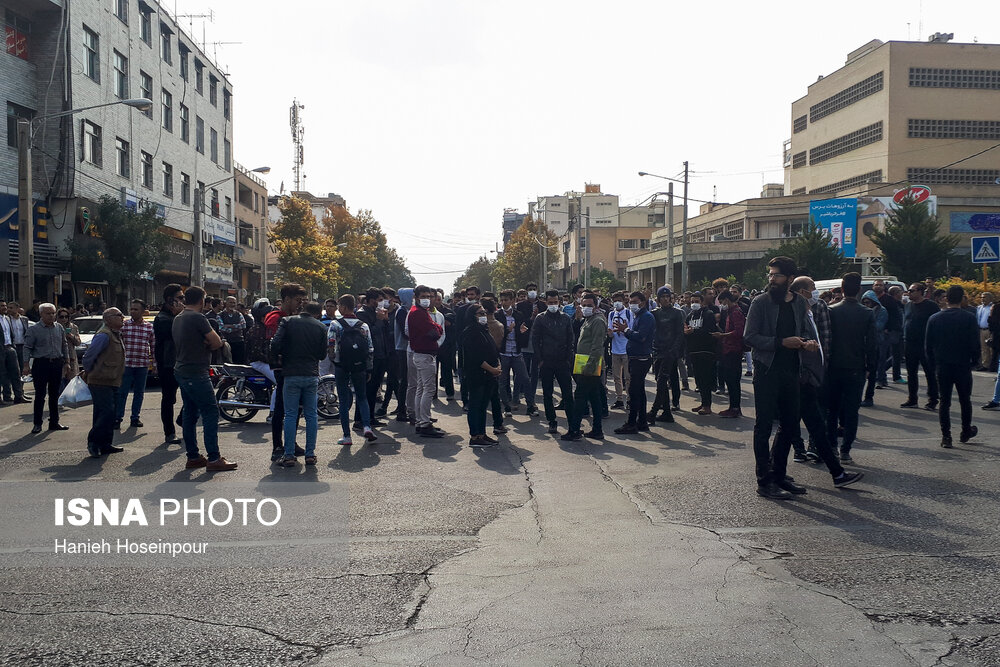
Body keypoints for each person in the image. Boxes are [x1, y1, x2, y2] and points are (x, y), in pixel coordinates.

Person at [744, 257, 819, 500]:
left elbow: (805, 332)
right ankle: (763, 481)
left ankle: (779, 474)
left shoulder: (798, 303)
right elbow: (750, 337)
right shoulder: (760, 302)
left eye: (776, 275)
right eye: (770, 275)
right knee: (763, 426)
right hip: (766, 370)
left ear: (789, 279)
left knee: (789, 425)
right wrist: (779, 343)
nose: (771, 279)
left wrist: (808, 344)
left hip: (791, 371)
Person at [171, 287, 237, 471]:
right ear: (202, 300)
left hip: (182, 368)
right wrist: (211, 342)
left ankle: (193, 456)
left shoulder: (179, 317)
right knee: (210, 412)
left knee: (190, 414)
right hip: (196, 371)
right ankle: (214, 458)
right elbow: (216, 342)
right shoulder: (197, 318)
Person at [271, 301, 331, 466]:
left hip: (291, 373)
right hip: (311, 374)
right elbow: (321, 354)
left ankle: (289, 454)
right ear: (318, 313)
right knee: (311, 415)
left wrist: (282, 355)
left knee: (290, 414)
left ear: (303, 310)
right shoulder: (320, 327)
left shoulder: (288, 322)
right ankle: (310, 454)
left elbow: (275, 344)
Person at [826, 274, 877, 464]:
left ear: (842, 287)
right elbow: (872, 344)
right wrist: (871, 366)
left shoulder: (831, 311)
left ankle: (831, 445)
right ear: (859, 290)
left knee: (832, 409)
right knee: (852, 410)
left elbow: (826, 339)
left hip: (833, 366)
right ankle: (846, 449)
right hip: (856, 367)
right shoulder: (866, 313)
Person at [927, 285, 980, 448]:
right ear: (962, 298)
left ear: (946, 298)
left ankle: (946, 436)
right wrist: (974, 360)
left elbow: (928, 345)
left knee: (945, 401)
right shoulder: (969, 318)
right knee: (965, 400)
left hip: (943, 365)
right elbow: (975, 343)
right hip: (963, 364)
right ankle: (965, 431)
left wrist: (933, 363)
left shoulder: (934, 318)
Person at [328, 294, 376, 446]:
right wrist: (369, 368)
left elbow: (331, 345)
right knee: (362, 397)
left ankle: (347, 436)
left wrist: (334, 361)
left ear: (342, 307)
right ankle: (367, 426)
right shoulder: (363, 325)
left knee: (343, 400)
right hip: (359, 365)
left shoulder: (336, 324)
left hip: (342, 365)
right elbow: (369, 348)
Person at [81, 308, 126, 457]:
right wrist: (88, 373)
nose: (122, 317)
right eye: (118, 315)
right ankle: (93, 442)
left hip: (113, 380)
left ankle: (105, 443)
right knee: (107, 411)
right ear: (108, 319)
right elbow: (89, 356)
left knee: (108, 413)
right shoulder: (104, 335)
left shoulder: (115, 334)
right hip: (100, 380)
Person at [563, 293, 607, 440]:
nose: (586, 308)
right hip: (583, 363)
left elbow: (597, 346)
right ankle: (597, 430)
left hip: (590, 365)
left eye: (590, 305)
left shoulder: (598, 321)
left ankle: (574, 430)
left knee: (580, 398)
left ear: (596, 306)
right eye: (584, 305)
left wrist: (590, 366)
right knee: (594, 397)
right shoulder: (588, 320)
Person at [531, 290, 575, 434]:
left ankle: (572, 422)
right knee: (547, 393)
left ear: (559, 301)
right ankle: (552, 421)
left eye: (555, 302)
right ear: (546, 302)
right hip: (547, 361)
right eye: (550, 302)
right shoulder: (540, 318)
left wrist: (569, 359)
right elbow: (535, 340)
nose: (553, 305)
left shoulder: (566, 318)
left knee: (567, 393)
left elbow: (571, 339)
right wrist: (540, 360)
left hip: (563, 361)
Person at [612, 290, 656, 433]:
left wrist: (626, 331)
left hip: (641, 358)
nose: (631, 305)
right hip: (635, 357)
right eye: (630, 302)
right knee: (639, 391)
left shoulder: (647, 317)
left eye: (635, 302)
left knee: (634, 391)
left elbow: (641, 337)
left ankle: (631, 423)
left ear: (642, 303)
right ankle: (642, 422)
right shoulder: (638, 316)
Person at [23, 303, 71, 432]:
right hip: (41, 364)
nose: (51, 316)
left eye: (53, 313)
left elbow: (64, 345)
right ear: (41, 314)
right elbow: (27, 347)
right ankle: (37, 423)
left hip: (56, 363)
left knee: (54, 394)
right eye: (48, 313)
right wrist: (26, 364)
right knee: (40, 395)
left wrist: (67, 362)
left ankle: (54, 422)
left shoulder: (59, 328)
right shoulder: (34, 329)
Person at [406, 285, 445, 437]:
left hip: (422, 353)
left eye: (429, 296)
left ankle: (421, 421)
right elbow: (435, 332)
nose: (427, 299)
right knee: (428, 389)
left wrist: (436, 327)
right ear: (416, 297)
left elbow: (435, 329)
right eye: (423, 296)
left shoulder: (421, 312)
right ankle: (424, 423)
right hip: (424, 354)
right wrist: (437, 327)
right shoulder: (418, 313)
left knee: (421, 389)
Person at [462, 303, 502, 448]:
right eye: (480, 314)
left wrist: (497, 366)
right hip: (477, 375)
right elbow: (476, 357)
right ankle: (475, 436)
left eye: (484, 313)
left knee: (483, 405)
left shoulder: (484, 330)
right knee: (475, 405)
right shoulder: (470, 332)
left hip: (489, 375)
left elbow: (493, 350)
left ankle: (482, 433)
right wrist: (492, 369)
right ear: (472, 316)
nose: (483, 316)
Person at [115, 299, 155, 430]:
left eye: (136, 309)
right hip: (126, 365)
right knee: (122, 392)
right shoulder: (124, 325)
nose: (133, 311)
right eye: (131, 309)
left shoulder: (148, 327)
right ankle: (117, 418)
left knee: (139, 393)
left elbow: (153, 346)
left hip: (142, 365)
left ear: (143, 311)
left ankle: (135, 417)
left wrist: (154, 364)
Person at [901, 283, 940, 411]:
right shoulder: (908, 305)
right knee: (911, 373)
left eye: (912, 291)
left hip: (925, 344)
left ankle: (933, 400)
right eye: (908, 291)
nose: (909, 293)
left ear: (920, 292)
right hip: (909, 343)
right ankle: (912, 399)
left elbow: (936, 324)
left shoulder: (931, 306)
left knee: (929, 372)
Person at [154, 285, 185, 444]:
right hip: (168, 365)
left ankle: (183, 420)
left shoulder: (179, 316)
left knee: (192, 395)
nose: (182, 301)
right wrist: (180, 314)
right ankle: (169, 432)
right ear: (169, 300)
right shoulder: (162, 318)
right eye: (179, 298)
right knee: (168, 399)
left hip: (183, 362)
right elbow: (174, 333)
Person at [356, 288, 391, 427]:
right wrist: (378, 320)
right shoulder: (362, 314)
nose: (382, 303)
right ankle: (360, 419)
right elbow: (367, 333)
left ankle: (370, 417)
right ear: (371, 301)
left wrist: (385, 320)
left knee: (375, 387)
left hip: (382, 354)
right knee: (366, 389)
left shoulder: (378, 314)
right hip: (370, 356)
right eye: (379, 300)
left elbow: (386, 332)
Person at [648, 287, 684, 423]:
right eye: (662, 297)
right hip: (658, 350)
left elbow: (680, 333)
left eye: (667, 296)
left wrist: (674, 350)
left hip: (670, 351)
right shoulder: (655, 313)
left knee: (663, 381)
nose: (665, 299)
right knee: (659, 380)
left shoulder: (677, 313)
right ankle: (667, 412)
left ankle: (654, 411)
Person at [497, 290, 531, 415]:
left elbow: (522, 335)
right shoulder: (498, 315)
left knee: (525, 378)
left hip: (516, 352)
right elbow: (497, 336)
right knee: (503, 380)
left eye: (506, 300)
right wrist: (507, 330)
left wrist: (523, 332)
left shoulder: (518, 314)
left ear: (513, 301)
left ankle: (530, 405)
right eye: (502, 300)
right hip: (503, 352)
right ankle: (507, 407)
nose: (504, 302)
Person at [716, 289, 746, 417]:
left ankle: (735, 408)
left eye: (721, 302)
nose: (721, 305)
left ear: (727, 300)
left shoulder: (736, 313)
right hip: (728, 349)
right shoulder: (730, 312)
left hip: (734, 350)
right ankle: (733, 407)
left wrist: (722, 335)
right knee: (730, 379)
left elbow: (739, 332)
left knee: (733, 380)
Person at [859, 290, 888, 408]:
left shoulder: (882, 311)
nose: (866, 304)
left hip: (876, 344)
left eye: (868, 302)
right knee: (861, 373)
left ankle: (869, 397)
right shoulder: (863, 311)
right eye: (864, 302)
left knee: (872, 372)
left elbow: (879, 326)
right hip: (862, 344)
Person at [390, 288, 413, 421]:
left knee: (410, 380)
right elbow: (406, 332)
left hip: (409, 348)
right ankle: (401, 410)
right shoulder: (402, 312)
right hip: (403, 349)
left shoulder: (409, 311)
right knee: (404, 380)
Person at [608, 292, 632, 410]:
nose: (616, 303)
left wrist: (623, 330)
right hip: (615, 349)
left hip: (626, 349)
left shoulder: (628, 313)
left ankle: (629, 399)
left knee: (628, 377)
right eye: (614, 301)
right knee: (617, 377)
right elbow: (610, 330)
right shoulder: (611, 314)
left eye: (619, 300)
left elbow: (631, 330)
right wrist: (610, 333)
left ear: (623, 301)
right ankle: (619, 399)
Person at [0, 301, 28, 404]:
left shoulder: (7, 319)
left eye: (5, 306)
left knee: (16, 373)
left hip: (11, 348)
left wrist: (12, 346)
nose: (5, 308)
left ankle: (18, 396)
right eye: (2, 306)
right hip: (1, 349)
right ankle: (5, 396)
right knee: (2, 374)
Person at [219, 296, 248, 364]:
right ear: (226, 303)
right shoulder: (220, 315)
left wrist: (229, 326)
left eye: (234, 303)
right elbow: (221, 328)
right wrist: (236, 327)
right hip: (226, 343)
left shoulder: (239, 314)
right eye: (230, 302)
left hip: (238, 342)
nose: (232, 304)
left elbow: (243, 325)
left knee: (239, 364)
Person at [57, 308, 81, 388]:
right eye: (61, 317)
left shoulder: (73, 327)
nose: (64, 319)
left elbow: (78, 342)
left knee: (71, 382)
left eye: (66, 317)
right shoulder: (55, 327)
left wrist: (71, 336)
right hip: (59, 357)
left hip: (71, 357)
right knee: (60, 383)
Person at [977, 292, 994, 371]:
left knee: (991, 348)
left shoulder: (992, 307)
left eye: (984, 297)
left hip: (990, 330)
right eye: (982, 297)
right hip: (981, 330)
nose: (982, 299)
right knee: (984, 348)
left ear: (990, 298)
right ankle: (985, 365)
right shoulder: (979, 307)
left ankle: (992, 365)